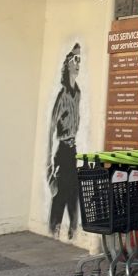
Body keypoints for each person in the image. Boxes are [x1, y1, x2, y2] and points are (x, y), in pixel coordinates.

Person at [48, 44, 82, 238]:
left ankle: (72, 231)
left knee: (73, 192)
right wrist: (49, 167)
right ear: (67, 64)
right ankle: (55, 229)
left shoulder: (77, 93)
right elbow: (51, 130)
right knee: (60, 193)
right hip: (62, 149)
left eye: (79, 60)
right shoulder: (62, 96)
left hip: (73, 149)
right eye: (74, 60)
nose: (78, 64)